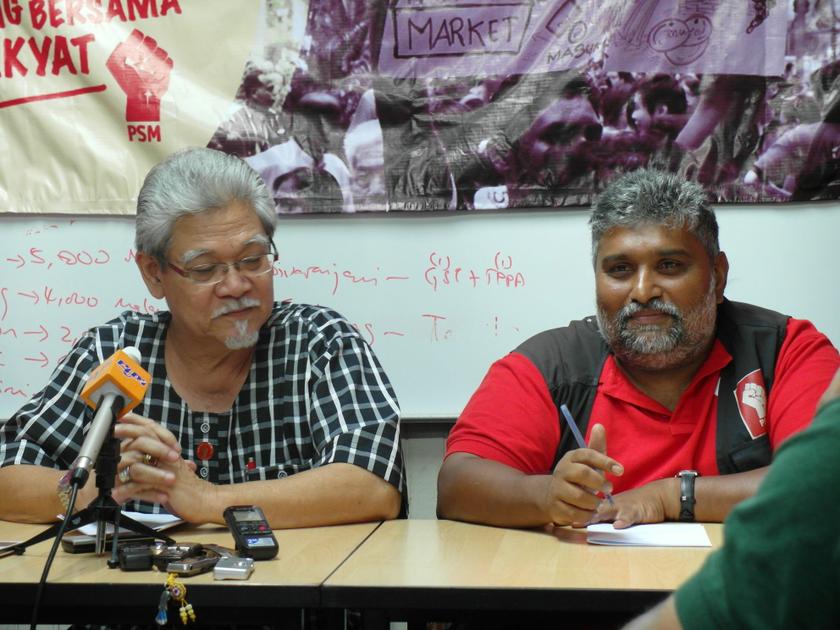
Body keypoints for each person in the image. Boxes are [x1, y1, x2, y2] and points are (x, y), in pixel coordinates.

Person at [0, 147, 404, 527]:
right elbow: (7, 476)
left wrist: (205, 499)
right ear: (154, 274)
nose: (235, 285)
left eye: (252, 259)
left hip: (289, 596)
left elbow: (373, 485)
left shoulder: (319, 343)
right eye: (206, 268)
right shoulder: (115, 352)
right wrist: (96, 488)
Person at [437, 168, 838, 529]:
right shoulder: (550, 365)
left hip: (744, 600)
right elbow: (457, 485)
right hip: (579, 598)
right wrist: (546, 497)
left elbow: (821, 483)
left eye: (669, 266)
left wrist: (668, 497)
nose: (643, 291)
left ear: (718, 275)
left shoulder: (786, 350)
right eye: (620, 270)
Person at [623, 366, 840, 629]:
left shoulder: (785, 345)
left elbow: (805, 484)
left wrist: (670, 495)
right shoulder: (563, 360)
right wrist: (557, 490)